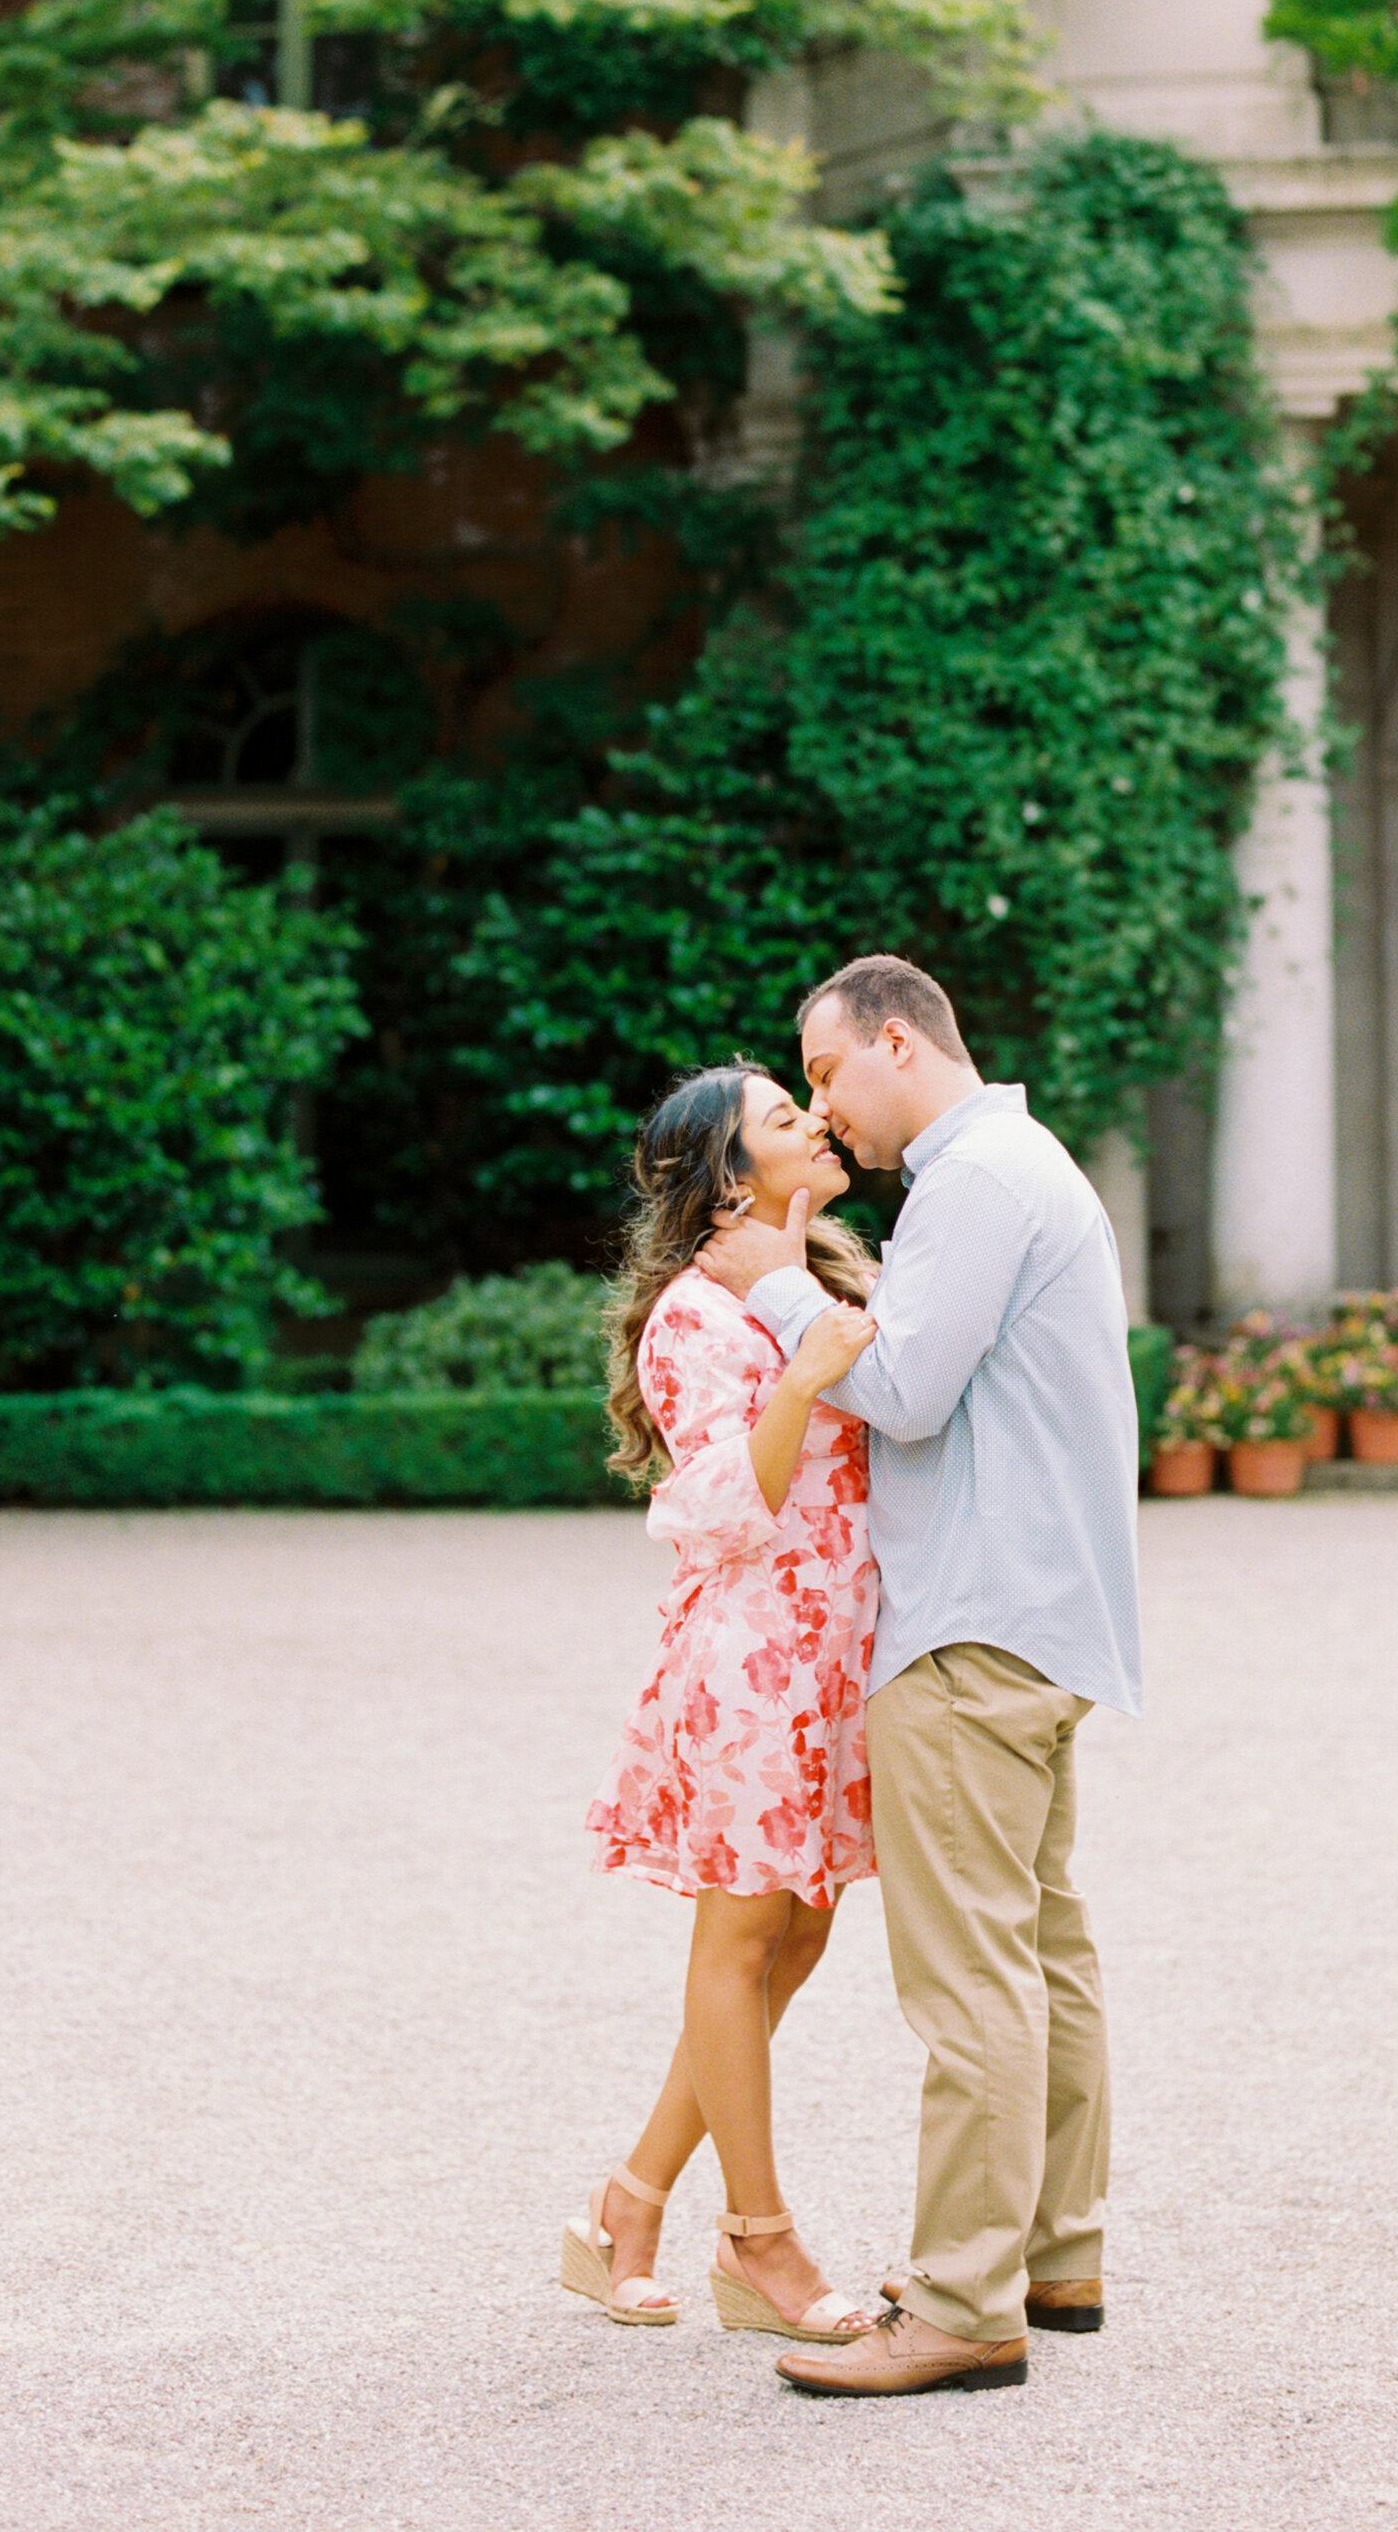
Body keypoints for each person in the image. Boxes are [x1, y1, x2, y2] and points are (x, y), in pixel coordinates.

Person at [700, 956, 1143, 2400]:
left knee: (972, 1977)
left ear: (898, 1041)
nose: (823, 1105)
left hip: (967, 1620)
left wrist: (775, 1292)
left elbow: (902, 1389)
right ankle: (1051, 2251)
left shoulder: (972, 1179)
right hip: (1042, 1609)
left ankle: (962, 2299)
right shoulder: (1023, 1162)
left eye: (826, 1073)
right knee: (1043, 1950)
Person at [562, 1061, 884, 2346]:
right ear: (731, 1180)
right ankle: (759, 2243)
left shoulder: (842, 1278)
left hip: (840, 1661)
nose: (814, 1121)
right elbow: (705, 1510)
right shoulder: (695, 1317)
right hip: (754, 1666)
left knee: (793, 1946)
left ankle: (623, 2205)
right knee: (739, 1946)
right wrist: (803, 1375)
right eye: (781, 1117)